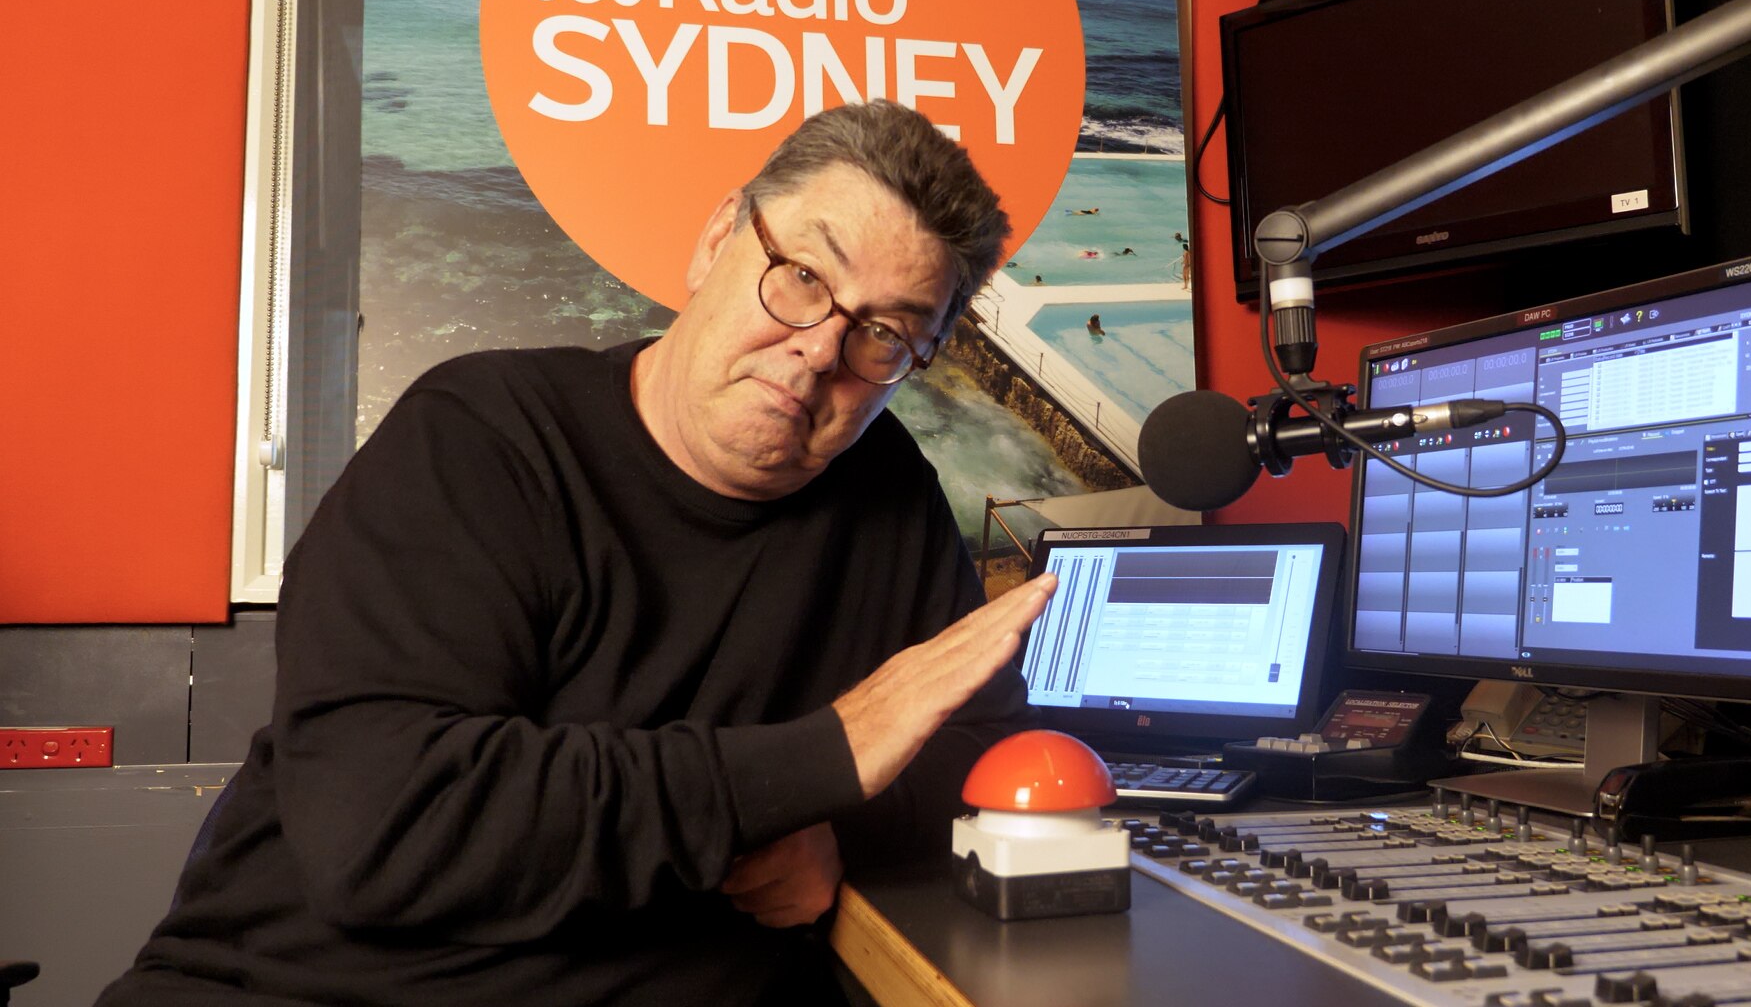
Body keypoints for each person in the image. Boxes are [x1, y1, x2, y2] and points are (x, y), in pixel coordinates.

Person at [97, 100, 1057, 1007]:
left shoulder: (886, 489)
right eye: (804, 276)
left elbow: (992, 755)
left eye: (885, 333)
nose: (818, 349)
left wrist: (841, 826)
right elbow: (383, 827)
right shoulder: (477, 438)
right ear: (719, 238)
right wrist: (819, 761)